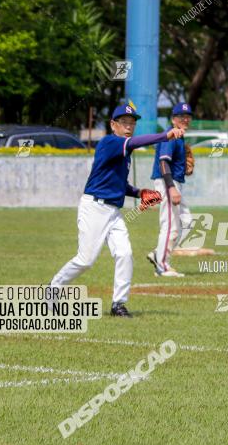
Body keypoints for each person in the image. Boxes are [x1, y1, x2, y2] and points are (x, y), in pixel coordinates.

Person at [50, 101, 184, 317]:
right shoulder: (110, 142)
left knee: (124, 253)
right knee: (85, 260)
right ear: (113, 125)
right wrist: (165, 135)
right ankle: (53, 289)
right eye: (124, 122)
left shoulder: (123, 151)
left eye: (132, 122)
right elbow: (137, 142)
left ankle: (118, 304)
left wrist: (140, 192)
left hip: (113, 211)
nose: (129, 126)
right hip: (94, 208)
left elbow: (119, 185)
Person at [147, 102, 194, 277]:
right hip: (168, 182)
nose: (185, 119)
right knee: (170, 225)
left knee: (186, 221)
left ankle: (157, 254)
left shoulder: (179, 137)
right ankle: (163, 266)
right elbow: (163, 161)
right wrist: (171, 188)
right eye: (181, 116)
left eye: (188, 116)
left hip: (174, 182)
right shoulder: (172, 135)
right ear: (174, 119)